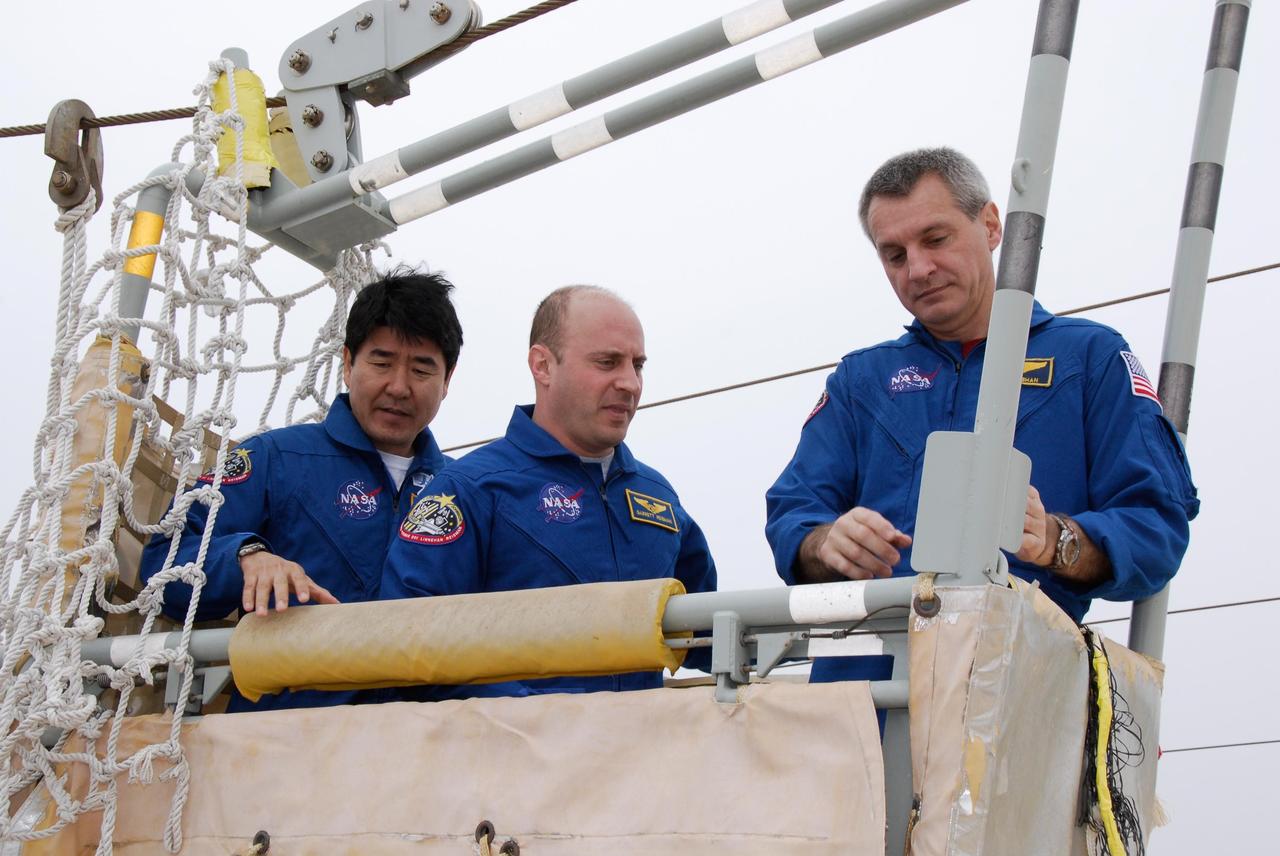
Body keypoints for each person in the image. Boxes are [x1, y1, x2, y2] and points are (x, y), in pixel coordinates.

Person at [766, 148, 1199, 682]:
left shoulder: (1088, 359)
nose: (918, 269)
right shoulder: (861, 380)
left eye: (936, 239)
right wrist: (825, 542)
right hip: (864, 700)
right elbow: (792, 512)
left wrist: (1058, 541)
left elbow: (1155, 527)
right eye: (894, 254)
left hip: (1018, 693)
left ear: (991, 225)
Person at [140, 266, 463, 710]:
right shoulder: (273, 458)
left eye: (422, 369)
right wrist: (245, 557)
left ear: (447, 381)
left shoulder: (464, 490)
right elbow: (162, 562)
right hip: (283, 741)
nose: (399, 386)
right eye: (382, 362)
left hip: (423, 745)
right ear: (348, 364)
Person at [382, 285, 717, 693]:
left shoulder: (657, 496)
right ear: (542, 365)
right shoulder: (466, 490)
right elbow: (406, 645)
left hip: (638, 749)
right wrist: (536, 721)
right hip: (512, 750)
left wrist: (808, 615)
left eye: (638, 365)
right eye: (607, 362)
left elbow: (707, 633)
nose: (629, 383)